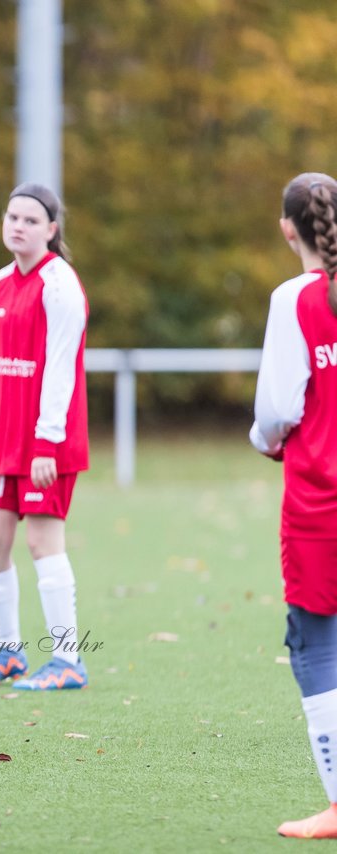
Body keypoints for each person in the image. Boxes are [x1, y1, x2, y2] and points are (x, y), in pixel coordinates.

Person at [0, 182, 90, 691]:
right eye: (12, 216)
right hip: (1, 439)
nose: (18, 226)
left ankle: (68, 659)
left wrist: (46, 443)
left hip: (45, 442)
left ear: (52, 230)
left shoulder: (61, 286)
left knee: (41, 543)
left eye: (31, 220)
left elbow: (60, 371)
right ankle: (8, 655)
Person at [248, 172, 337, 840]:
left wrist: (263, 440)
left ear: (287, 230)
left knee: (314, 641)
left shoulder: (295, 299)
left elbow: (277, 411)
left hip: (319, 496)